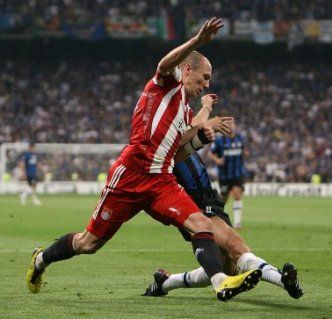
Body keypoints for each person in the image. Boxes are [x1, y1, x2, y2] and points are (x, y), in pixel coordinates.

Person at [26, 17, 262, 302]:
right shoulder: (166, 84)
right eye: (204, 77)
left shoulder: (183, 109)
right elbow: (164, 64)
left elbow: (190, 131)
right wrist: (198, 41)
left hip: (161, 180)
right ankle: (41, 260)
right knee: (88, 243)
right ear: (187, 70)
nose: (206, 83)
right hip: (131, 175)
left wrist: (206, 109)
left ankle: (221, 282)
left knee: (202, 224)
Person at [143, 147, 304, 299]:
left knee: (226, 269)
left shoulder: (177, 131)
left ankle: (165, 283)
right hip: (194, 206)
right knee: (236, 248)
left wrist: (204, 122)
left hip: (212, 201)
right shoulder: (162, 143)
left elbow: (191, 132)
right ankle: (283, 280)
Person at [208, 122, 247, 229]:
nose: (230, 126)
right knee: (224, 198)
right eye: (228, 124)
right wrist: (218, 160)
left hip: (237, 173)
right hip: (224, 175)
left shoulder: (240, 138)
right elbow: (211, 153)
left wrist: (245, 154)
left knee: (237, 194)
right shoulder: (220, 140)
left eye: (232, 124)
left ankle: (237, 223)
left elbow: (244, 151)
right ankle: (218, 215)